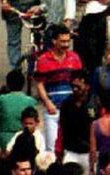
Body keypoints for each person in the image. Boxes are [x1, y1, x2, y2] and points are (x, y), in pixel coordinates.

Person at [35, 24, 83, 154]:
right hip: (53, 109)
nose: (66, 44)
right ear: (54, 41)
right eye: (62, 41)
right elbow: (39, 84)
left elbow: (80, 82)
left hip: (72, 110)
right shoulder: (43, 60)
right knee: (52, 148)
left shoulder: (74, 58)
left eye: (68, 41)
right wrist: (47, 103)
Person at [0, 70, 37, 150]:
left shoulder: (1, 100)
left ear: (7, 84)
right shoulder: (31, 101)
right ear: (23, 84)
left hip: (3, 139)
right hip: (26, 139)